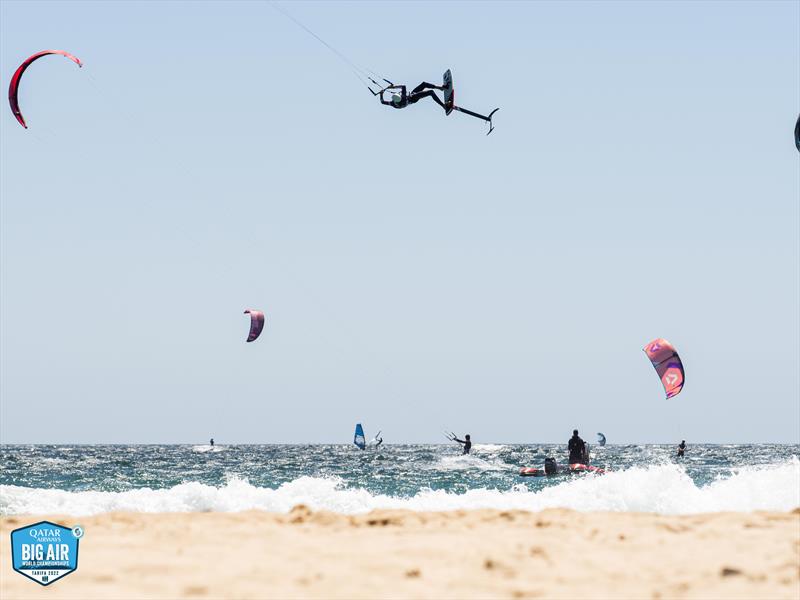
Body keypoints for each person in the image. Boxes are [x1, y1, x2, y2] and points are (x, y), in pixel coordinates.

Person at [379, 81, 448, 112]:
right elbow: (403, 86)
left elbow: (382, 102)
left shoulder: (393, 103)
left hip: (412, 95)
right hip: (413, 98)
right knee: (431, 92)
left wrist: (381, 94)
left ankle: (440, 88)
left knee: (424, 84)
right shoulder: (403, 97)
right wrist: (392, 87)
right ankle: (443, 106)